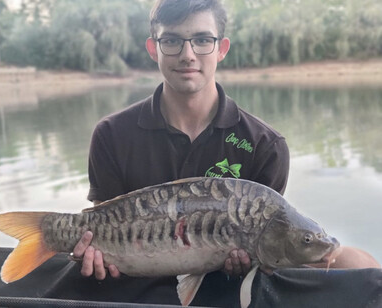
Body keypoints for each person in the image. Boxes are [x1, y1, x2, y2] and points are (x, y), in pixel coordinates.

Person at [72, 0, 380, 305]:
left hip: (227, 287)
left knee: (355, 265)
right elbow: (103, 224)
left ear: (222, 48)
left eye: (203, 40)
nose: (187, 54)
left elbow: (267, 252)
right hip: (131, 281)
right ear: (154, 49)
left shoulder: (265, 145)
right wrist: (94, 254)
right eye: (172, 40)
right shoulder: (111, 133)